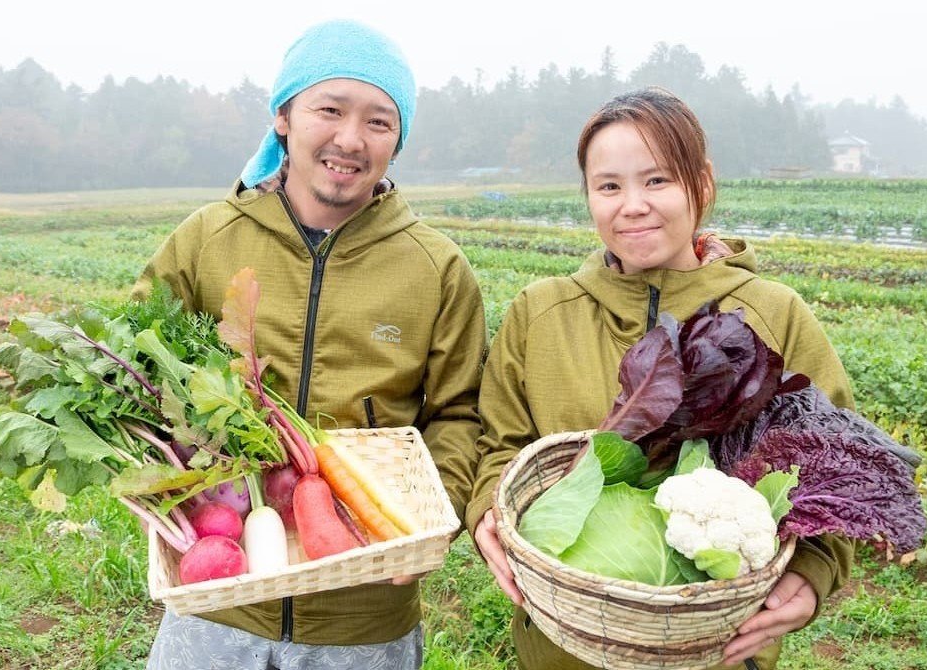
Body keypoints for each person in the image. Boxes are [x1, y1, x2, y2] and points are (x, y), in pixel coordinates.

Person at [132, 19, 487, 670]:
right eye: (330, 109)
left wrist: (431, 519)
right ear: (284, 118)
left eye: (380, 121)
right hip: (218, 592)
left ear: (397, 140)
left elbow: (462, 415)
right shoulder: (207, 239)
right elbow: (134, 367)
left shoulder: (436, 268)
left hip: (366, 613)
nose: (350, 139)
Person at [466, 87, 856, 670]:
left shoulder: (774, 314)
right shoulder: (539, 312)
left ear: (701, 183)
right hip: (561, 646)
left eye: (657, 181)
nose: (632, 205)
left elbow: (838, 468)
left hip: (719, 650)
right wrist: (486, 513)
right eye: (609, 186)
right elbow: (499, 444)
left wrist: (814, 569)